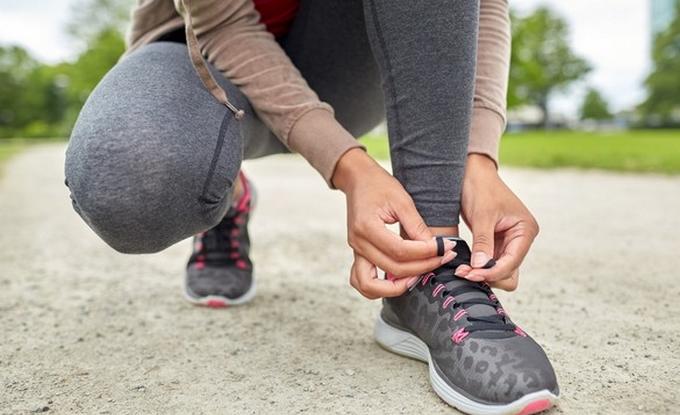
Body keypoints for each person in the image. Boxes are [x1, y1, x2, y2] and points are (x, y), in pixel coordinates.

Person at [64, 0, 559, 413]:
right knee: (127, 179)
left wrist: (476, 155)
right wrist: (349, 167)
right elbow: (225, 22)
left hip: (347, 63)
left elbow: (484, 5)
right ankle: (226, 195)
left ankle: (427, 263)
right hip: (202, 52)